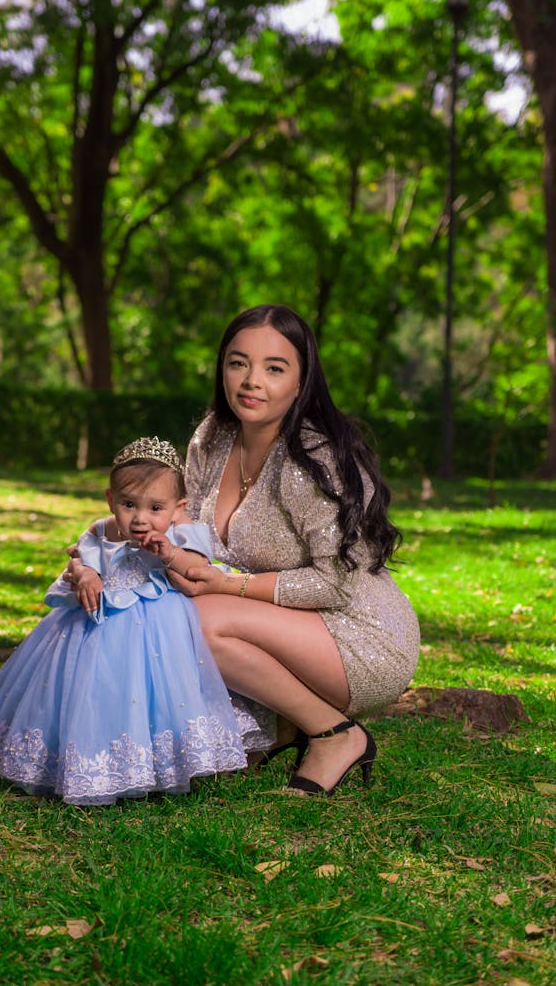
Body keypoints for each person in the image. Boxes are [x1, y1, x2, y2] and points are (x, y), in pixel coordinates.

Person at [168, 304, 420, 796]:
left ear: (302, 380)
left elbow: (336, 583)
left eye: (274, 368)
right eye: (238, 363)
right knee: (175, 611)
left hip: (358, 632)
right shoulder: (211, 440)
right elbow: (188, 534)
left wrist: (226, 584)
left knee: (201, 620)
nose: (251, 381)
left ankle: (335, 735)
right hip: (274, 621)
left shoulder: (315, 459)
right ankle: (281, 726)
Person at [0, 437, 247, 805]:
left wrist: (171, 552)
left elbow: (197, 567)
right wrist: (86, 575)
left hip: (161, 624)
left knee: (159, 692)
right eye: (129, 505)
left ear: (178, 507)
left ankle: (163, 763)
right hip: (100, 622)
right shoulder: (104, 529)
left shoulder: (183, 528)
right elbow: (83, 554)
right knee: (99, 690)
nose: (141, 518)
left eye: (155, 507)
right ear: (112, 500)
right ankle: (100, 760)